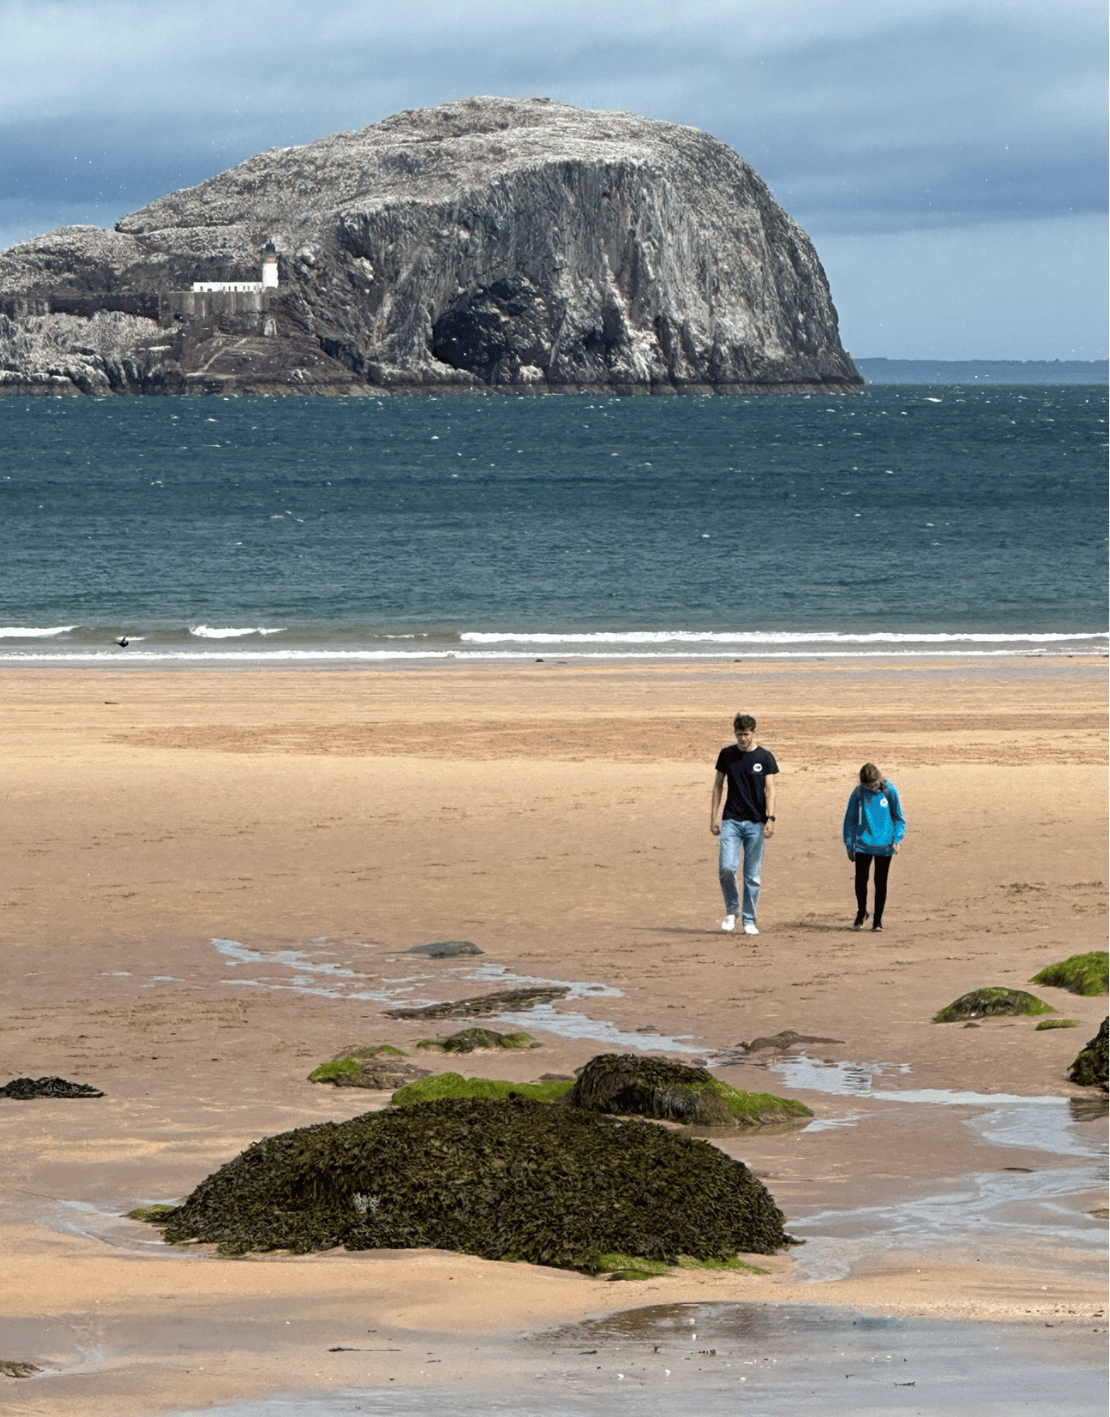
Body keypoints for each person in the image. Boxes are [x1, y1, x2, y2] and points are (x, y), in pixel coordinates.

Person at [710, 714, 778, 935]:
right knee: (727, 867)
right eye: (739, 735)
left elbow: (771, 790)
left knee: (752, 875)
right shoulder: (727, 755)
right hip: (731, 819)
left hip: (756, 823)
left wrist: (771, 818)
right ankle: (732, 911)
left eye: (746, 735)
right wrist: (714, 817)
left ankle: (749, 920)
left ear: (753, 733)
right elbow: (718, 786)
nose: (742, 739)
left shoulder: (765, 757)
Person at [842, 763, 906, 931]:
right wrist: (849, 844)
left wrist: (898, 839)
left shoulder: (889, 790)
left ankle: (877, 920)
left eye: (873, 785)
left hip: (885, 845)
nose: (871, 788)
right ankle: (862, 911)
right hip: (863, 843)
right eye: (867, 786)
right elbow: (850, 819)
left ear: (879, 779)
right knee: (861, 880)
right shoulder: (858, 793)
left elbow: (899, 817)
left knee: (880, 881)